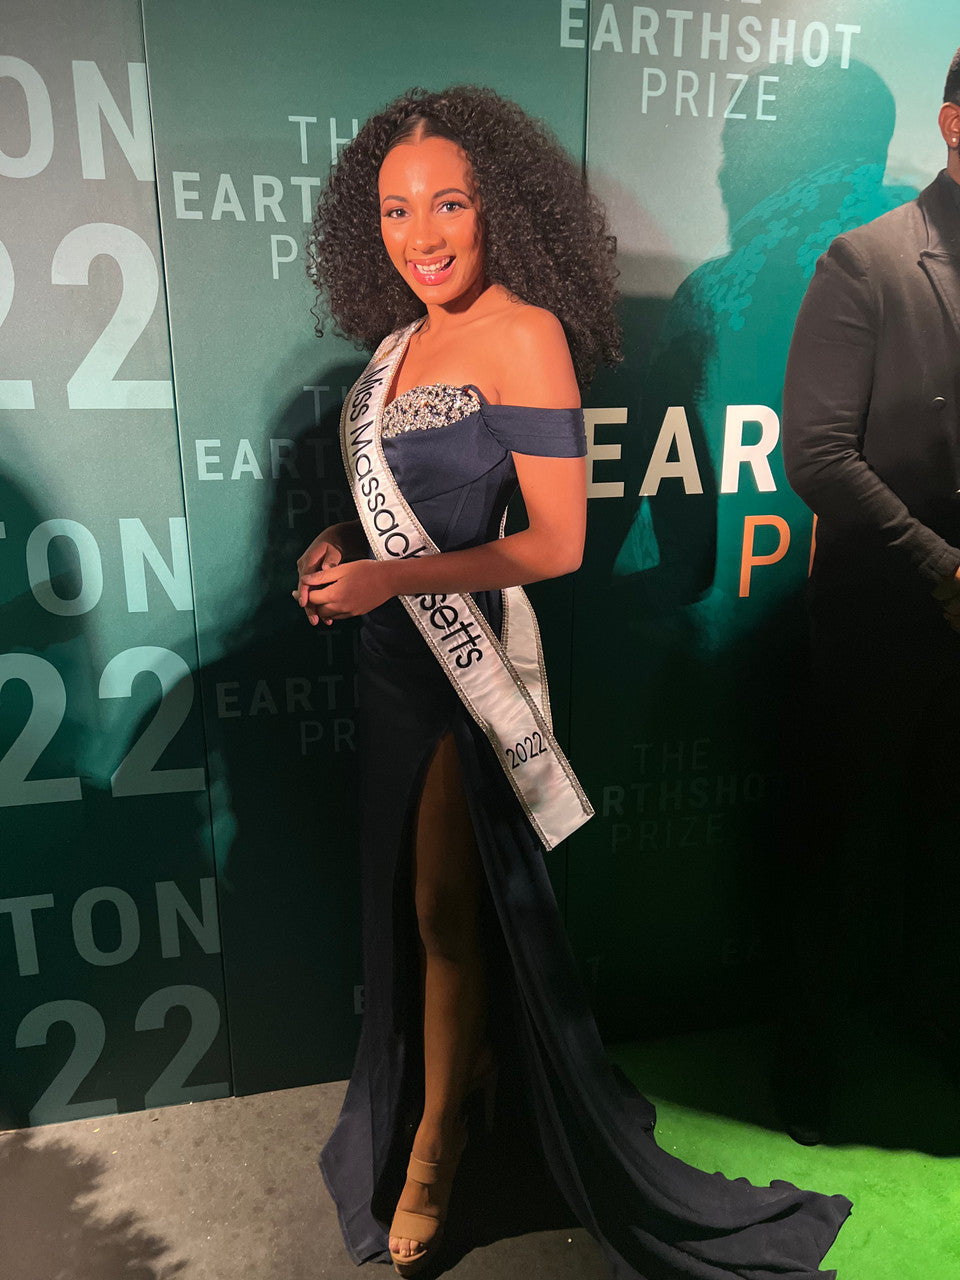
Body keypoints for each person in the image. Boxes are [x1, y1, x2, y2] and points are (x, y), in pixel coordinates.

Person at [297, 85, 850, 1279]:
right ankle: (457, 1080)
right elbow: (398, 510)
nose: (422, 234)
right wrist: (346, 545)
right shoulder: (397, 346)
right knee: (412, 910)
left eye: (449, 203)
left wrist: (394, 580)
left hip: (465, 672)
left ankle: (439, 1140)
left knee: (446, 909)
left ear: (499, 203)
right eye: (395, 210)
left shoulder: (526, 335)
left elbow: (553, 544)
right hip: (390, 663)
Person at [780, 51, 960, 1142]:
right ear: (952, 123)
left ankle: (933, 1019)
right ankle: (805, 1062)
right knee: (844, 843)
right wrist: (942, 565)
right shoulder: (868, 261)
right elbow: (815, 454)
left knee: (950, 845)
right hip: (884, 613)